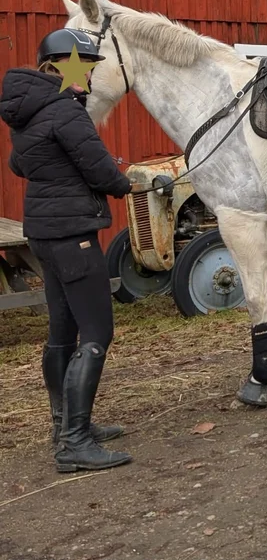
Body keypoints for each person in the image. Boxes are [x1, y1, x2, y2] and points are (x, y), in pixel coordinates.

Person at [0, 28, 134, 472]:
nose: (92, 75)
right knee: (97, 332)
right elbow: (99, 170)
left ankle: (66, 427)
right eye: (87, 65)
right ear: (64, 65)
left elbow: (18, 163)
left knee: (62, 332)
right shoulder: (66, 112)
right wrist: (125, 183)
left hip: (43, 232)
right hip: (73, 233)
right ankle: (75, 442)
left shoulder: (28, 113)